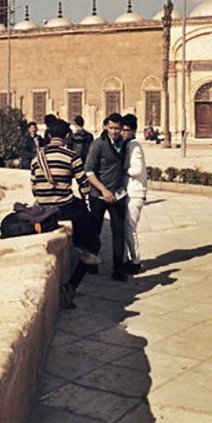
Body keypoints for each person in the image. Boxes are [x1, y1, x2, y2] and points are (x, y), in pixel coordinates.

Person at [32, 112, 100, 308]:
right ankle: (71, 285)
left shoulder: (38, 158)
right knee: (92, 242)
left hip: (44, 207)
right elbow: (84, 186)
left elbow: (34, 187)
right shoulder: (71, 156)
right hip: (65, 207)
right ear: (67, 137)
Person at [83, 113, 133, 281]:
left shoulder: (123, 144)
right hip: (99, 195)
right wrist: (103, 190)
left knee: (118, 232)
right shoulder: (98, 145)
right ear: (105, 126)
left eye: (117, 128)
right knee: (94, 229)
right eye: (111, 128)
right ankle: (92, 262)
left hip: (118, 195)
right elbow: (89, 171)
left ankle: (117, 268)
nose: (114, 131)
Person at [121, 112, 148, 272]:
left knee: (129, 228)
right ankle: (130, 259)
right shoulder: (129, 145)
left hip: (135, 192)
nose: (123, 133)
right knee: (127, 228)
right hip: (131, 191)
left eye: (126, 130)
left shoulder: (134, 146)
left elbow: (137, 169)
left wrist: (123, 170)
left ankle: (136, 261)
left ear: (133, 131)